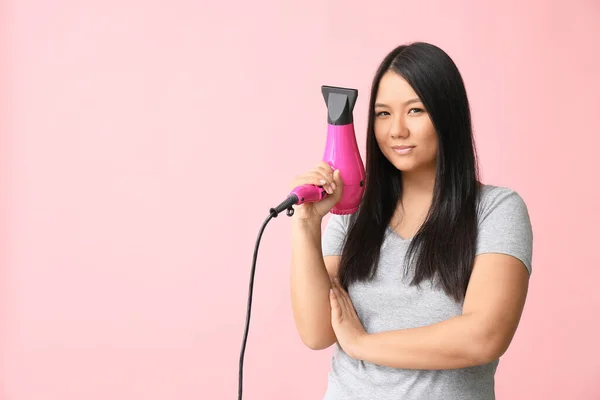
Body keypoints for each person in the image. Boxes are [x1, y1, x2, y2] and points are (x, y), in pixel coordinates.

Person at [288, 41, 533, 400]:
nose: (396, 130)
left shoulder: (496, 210)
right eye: (383, 113)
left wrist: (360, 344)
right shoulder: (354, 214)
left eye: (415, 111)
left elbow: (484, 336)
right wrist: (307, 225)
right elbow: (316, 332)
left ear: (447, 115)